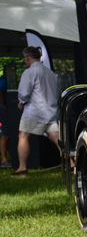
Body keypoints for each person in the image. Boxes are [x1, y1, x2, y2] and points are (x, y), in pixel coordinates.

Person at [13, 46, 60, 175]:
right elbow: (56, 92)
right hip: (50, 110)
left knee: (23, 136)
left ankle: (22, 167)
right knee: (56, 138)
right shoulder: (51, 73)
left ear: (27, 57)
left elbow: (24, 92)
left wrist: (21, 102)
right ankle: (72, 164)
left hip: (34, 110)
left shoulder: (29, 72)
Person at [0, 67, 10, 167]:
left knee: (8, 134)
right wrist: (3, 105)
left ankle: (8, 157)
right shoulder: (3, 80)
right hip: (3, 110)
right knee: (5, 134)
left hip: (4, 109)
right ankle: (4, 159)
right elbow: (0, 92)